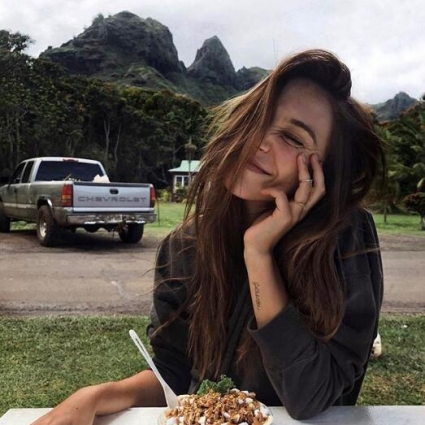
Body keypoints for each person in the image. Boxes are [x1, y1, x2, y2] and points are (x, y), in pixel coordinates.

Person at [32, 49, 385, 424]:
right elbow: (174, 371)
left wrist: (259, 255)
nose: (260, 139)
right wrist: (95, 397)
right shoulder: (186, 245)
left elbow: (308, 396)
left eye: (292, 138)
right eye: (258, 118)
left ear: (322, 171)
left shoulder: (345, 240)